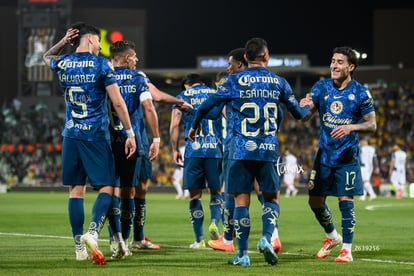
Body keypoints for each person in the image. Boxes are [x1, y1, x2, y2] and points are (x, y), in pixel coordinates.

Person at [189, 37, 310, 266]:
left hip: (239, 150)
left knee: (241, 200)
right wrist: (308, 103)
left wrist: (194, 126)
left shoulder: (233, 81)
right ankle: (266, 238)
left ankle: (242, 254)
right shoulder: (280, 83)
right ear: (266, 56)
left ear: (245, 57)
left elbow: (207, 105)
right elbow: (299, 114)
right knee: (272, 198)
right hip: (267, 150)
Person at [43, 22, 136, 265]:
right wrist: (130, 132)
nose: (101, 45)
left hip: (71, 134)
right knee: (106, 187)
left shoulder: (63, 63)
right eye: (98, 41)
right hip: (95, 135)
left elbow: (46, 56)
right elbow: (117, 103)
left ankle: (78, 248)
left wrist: (63, 42)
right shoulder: (101, 64)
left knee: (76, 191)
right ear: (91, 40)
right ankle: (93, 232)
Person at [300, 46, 377, 263]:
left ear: (350, 67)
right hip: (324, 156)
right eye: (333, 61)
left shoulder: (361, 92)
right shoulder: (321, 86)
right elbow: (305, 116)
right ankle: (332, 236)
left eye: (340, 62)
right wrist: (301, 106)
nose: (334, 65)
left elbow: (372, 125)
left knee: (346, 201)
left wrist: (351, 127)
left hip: (347, 157)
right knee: (314, 202)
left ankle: (347, 250)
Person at [207, 47, 282, 254]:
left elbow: (213, 112)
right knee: (264, 192)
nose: (228, 69)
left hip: (238, 148)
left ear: (241, 64)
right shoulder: (265, 87)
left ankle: (231, 241)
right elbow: (279, 113)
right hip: (265, 145)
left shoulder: (236, 88)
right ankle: (272, 236)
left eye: (230, 65)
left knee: (233, 193)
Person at [106, 40, 160, 256]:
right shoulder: (138, 77)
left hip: (108, 142)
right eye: (135, 57)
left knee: (110, 190)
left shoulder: (104, 76)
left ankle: (113, 238)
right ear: (128, 58)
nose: (136, 61)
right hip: (132, 142)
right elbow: (148, 105)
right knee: (129, 191)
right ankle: (124, 243)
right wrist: (156, 138)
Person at [170, 73, 224, 249]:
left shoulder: (181, 97)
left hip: (193, 151)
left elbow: (174, 126)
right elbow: (226, 117)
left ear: (187, 85)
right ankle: (215, 222)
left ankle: (199, 239)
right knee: (216, 192)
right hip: (215, 150)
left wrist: (174, 149)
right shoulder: (215, 93)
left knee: (195, 196)